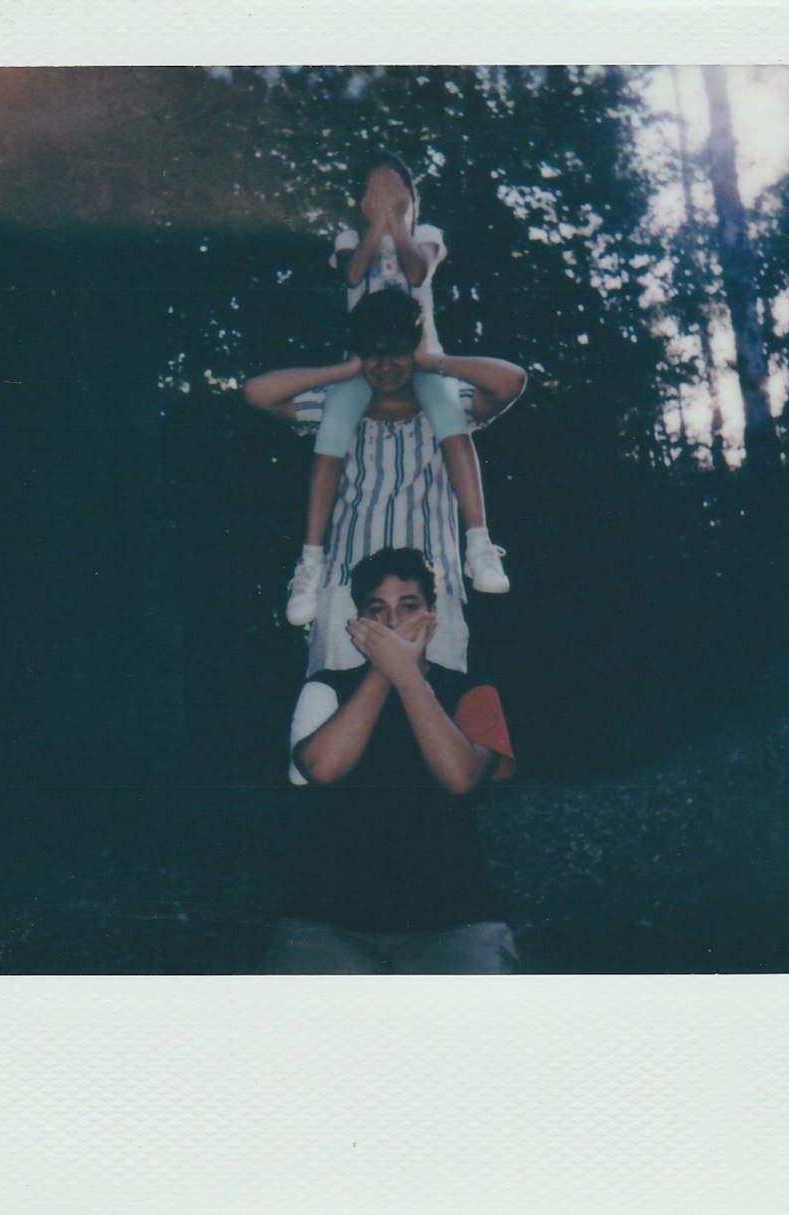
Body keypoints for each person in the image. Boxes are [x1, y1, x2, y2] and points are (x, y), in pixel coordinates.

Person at [262, 546, 519, 974]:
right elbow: (323, 768)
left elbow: (460, 778)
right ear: (360, 620)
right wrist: (388, 669)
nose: (393, 622)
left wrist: (404, 673)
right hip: (328, 921)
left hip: (457, 922)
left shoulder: (474, 692)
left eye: (409, 606)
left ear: (433, 616)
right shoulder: (324, 688)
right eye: (377, 609)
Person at [243, 287, 526, 676]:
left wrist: (433, 360)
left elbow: (510, 381)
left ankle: (482, 549)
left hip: (431, 592)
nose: (387, 364)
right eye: (374, 352)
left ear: (413, 349)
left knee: (433, 711)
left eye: (397, 351)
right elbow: (257, 393)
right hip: (345, 587)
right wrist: (344, 371)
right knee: (340, 709)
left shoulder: (449, 406)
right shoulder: (335, 407)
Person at [286, 148, 510, 628]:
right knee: (330, 439)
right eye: (376, 191)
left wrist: (399, 224)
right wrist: (375, 225)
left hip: (422, 360)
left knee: (453, 426)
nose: (387, 200)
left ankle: (479, 545)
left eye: (397, 191)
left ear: (413, 198)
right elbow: (351, 273)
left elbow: (415, 271)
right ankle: (309, 564)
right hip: (362, 363)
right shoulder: (351, 237)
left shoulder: (426, 236)